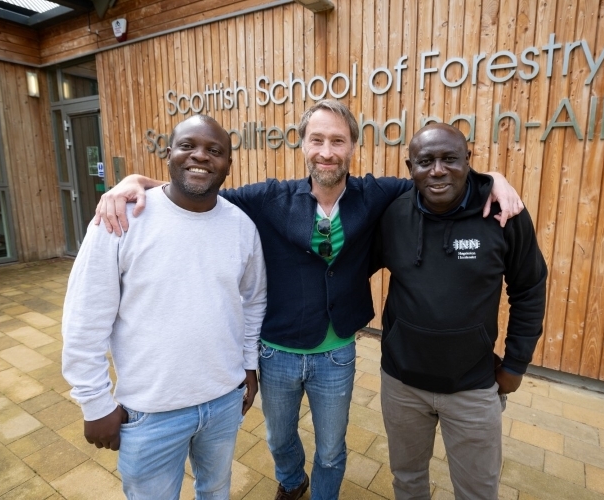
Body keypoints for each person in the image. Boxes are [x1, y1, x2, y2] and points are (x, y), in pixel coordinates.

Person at [94, 100, 524, 500]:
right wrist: (136, 182)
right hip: (277, 349)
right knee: (279, 438)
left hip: (336, 353)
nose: (327, 151)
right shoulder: (268, 199)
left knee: (333, 448)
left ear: (353, 146)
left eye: (337, 140)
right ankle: (292, 479)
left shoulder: (379, 194)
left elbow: (442, 177)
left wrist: (494, 181)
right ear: (303, 145)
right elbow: (199, 189)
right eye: (317, 139)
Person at [62, 115, 267, 499]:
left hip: (223, 401)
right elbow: (84, 319)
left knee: (216, 490)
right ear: (168, 153)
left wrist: (248, 365)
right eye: (188, 145)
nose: (201, 156)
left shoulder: (241, 226)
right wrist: (94, 402)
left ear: (228, 165)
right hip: (149, 412)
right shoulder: (121, 220)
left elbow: (253, 300)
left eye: (215, 150)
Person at [370, 123, 547, 500]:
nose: (437, 170)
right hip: (402, 385)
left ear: (470, 161)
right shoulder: (393, 215)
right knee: (407, 480)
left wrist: (516, 365)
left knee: (478, 491)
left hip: (473, 387)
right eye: (425, 161)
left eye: (450, 159)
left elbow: (529, 289)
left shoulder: (503, 215)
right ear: (410, 167)